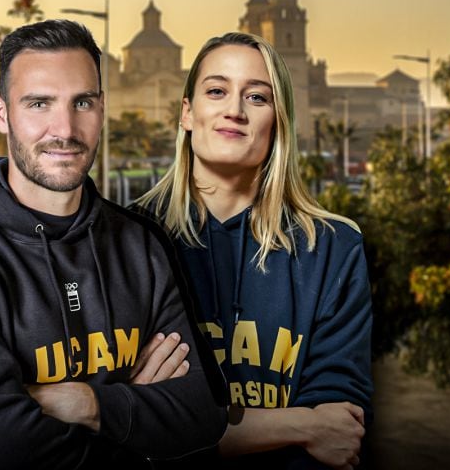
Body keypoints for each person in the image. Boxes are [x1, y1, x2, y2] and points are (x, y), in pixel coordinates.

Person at [0, 19, 227, 469]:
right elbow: (1, 453)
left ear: (102, 109)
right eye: (38, 103)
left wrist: (86, 405)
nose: (64, 128)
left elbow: (203, 416)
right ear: (1, 112)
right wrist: (133, 411)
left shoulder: (141, 245)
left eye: (82, 102)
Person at [134, 32, 373, 470]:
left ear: (279, 119)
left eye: (257, 97)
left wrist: (171, 428)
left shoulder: (333, 249)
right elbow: (119, 430)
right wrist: (300, 425)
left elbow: (338, 434)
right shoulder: (124, 239)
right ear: (187, 113)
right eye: (217, 91)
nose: (234, 110)